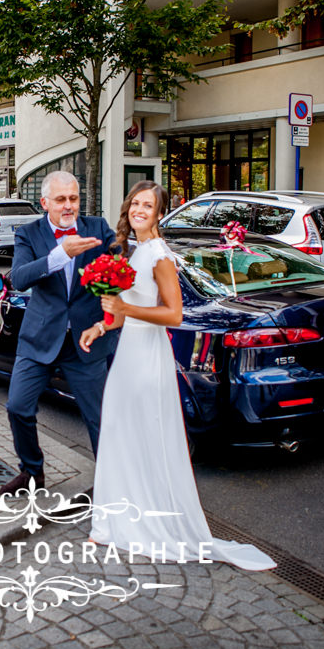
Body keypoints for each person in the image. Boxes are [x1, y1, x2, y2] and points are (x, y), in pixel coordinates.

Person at [78, 181, 275, 570]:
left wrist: (124, 310)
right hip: (127, 356)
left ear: (158, 213)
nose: (139, 209)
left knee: (145, 436)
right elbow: (125, 310)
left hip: (149, 357)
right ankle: (111, 521)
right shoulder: (133, 252)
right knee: (119, 433)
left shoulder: (160, 255)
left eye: (147, 205)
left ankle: (144, 523)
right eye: (135, 202)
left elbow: (174, 315)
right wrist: (101, 326)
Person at [0, 171, 116, 495]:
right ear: (45, 202)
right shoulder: (30, 234)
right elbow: (20, 278)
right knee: (17, 406)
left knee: (98, 418)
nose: (69, 206)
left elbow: (122, 268)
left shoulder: (98, 229)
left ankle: (108, 482)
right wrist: (61, 254)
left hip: (87, 340)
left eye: (74, 199)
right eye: (61, 199)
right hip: (40, 338)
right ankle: (32, 472)